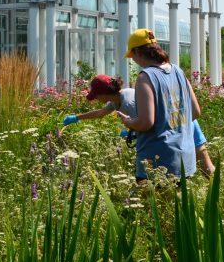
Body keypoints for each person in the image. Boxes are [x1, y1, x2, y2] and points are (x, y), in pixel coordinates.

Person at [64, 69, 216, 177]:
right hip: (176, 121)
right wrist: (76, 117)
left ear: (104, 93)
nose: (95, 99)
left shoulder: (128, 101)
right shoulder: (116, 100)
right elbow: (100, 113)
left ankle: (216, 195)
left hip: (183, 123)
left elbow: (149, 123)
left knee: (204, 166)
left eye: (96, 96)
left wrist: (132, 130)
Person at [122, 28, 201, 180]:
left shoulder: (145, 77)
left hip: (157, 161)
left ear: (138, 52)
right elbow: (195, 111)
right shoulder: (178, 71)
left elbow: (146, 122)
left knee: (153, 204)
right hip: (185, 158)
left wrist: (128, 121)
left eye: (133, 55)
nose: (133, 60)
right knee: (179, 204)